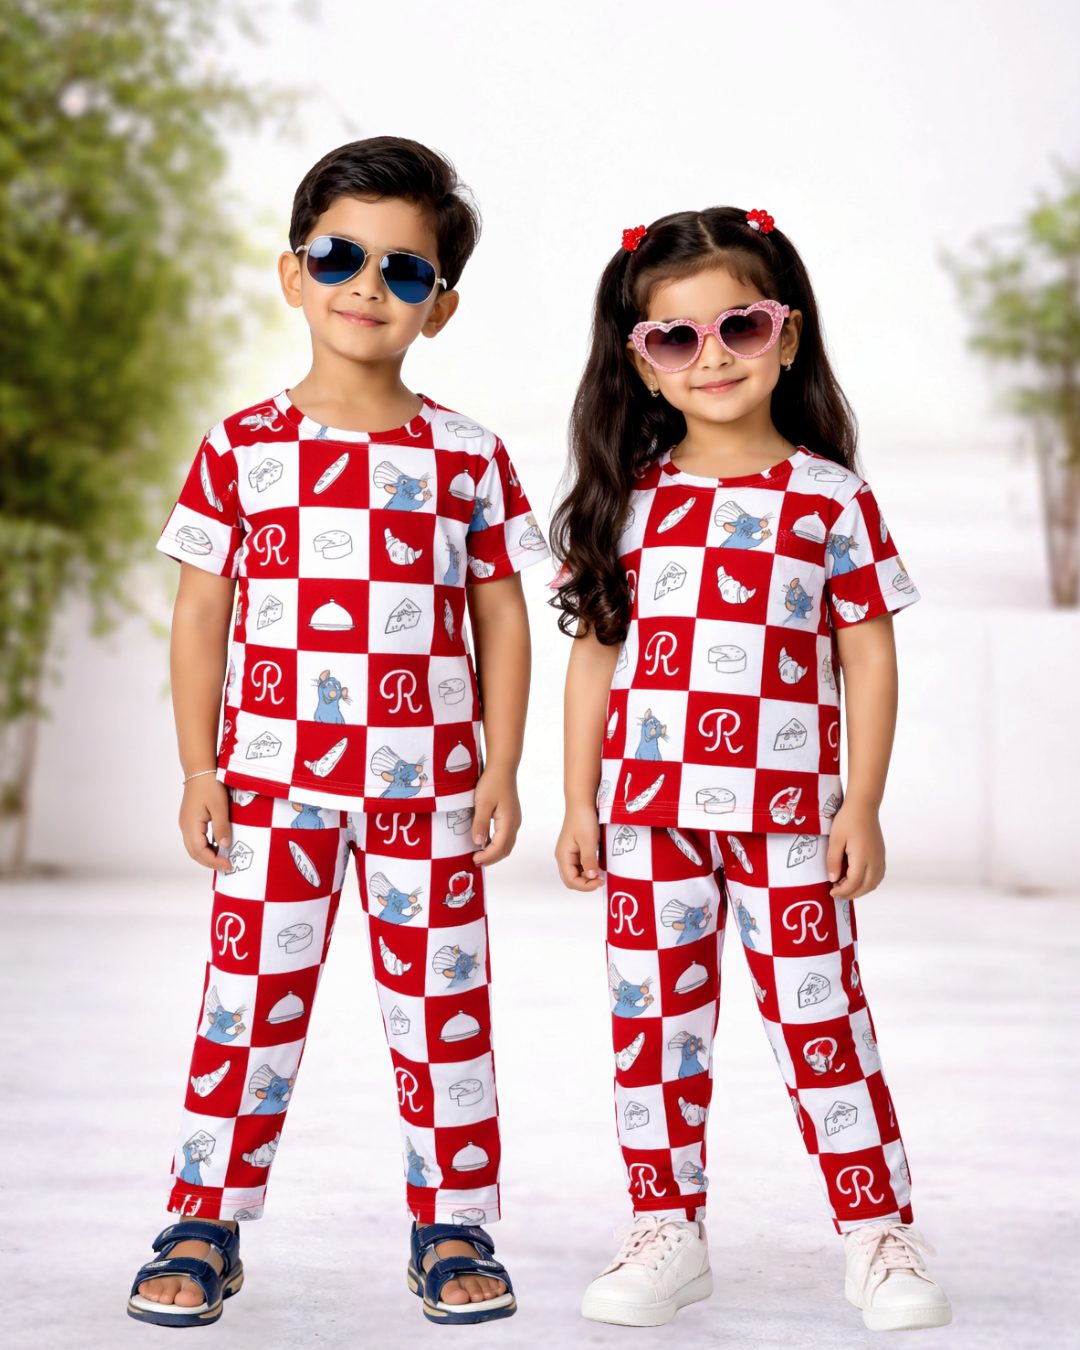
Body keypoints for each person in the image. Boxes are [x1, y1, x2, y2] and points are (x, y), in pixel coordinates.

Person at [126, 137, 548, 1329]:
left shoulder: (468, 456)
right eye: (339, 257)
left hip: (432, 790)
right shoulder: (241, 446)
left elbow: (501, 614)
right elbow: (201, 611)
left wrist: (503, 767)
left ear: (440, 306)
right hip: (271, 785)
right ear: (292, 273)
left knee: (444, 1011)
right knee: (247, 1000)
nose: (368, 286)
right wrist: (199, 765)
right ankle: (203, 1217)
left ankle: (453, 1222)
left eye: (404, 271)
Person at [551, 207, 951, 1332]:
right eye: (675, 338)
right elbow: (595, 658)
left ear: (787, 333)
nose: (712, 356)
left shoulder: (831, 499)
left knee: (824, 1025)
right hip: (648, 819)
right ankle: (664, 1228)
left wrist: (861, 803)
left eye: (739, 326)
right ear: (643, 363)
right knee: (654, 1032)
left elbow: (869, 655)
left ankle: (878, 1235)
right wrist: (577, 799)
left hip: (789, 819)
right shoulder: (628, 498)